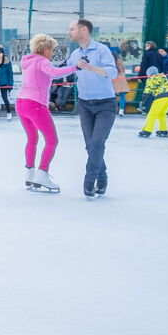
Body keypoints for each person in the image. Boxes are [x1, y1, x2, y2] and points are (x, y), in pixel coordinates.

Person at [16, 34, 79, 193]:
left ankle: (29, 174)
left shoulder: (28, 61)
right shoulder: (42, 61)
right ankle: (42, 174)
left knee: (32, 138)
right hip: (35, 105)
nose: (53, 53)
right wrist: (75, 68)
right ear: (45, 49)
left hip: (21, 103)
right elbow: (54, 72)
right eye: (52, 50)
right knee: (52, 140)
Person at [64, 18, 118, 199]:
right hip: (85, 105)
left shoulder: (102, 50)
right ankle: (102, 178)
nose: (69, 32)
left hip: (105, 105)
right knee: (90, 145)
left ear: (84, 29)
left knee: (97, 143)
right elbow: (64, 71)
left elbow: (112, 72)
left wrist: (89, 67)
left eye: (72, 29)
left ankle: (89, 181)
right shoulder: (74, 54)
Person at [137, 67, 168, 139]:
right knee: (162, 114)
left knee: (152, 114)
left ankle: (147, 131)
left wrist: (144, 97)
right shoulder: (164, 77)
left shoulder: (151, 78)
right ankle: (163, 130)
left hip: (161, 97)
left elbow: (148, 88)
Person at [0, 45, 14, 121]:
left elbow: (10, 73)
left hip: (4, 83)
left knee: (5, 98)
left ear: (2, 53)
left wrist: (10, 84)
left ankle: (9, 113)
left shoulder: (7, 62)